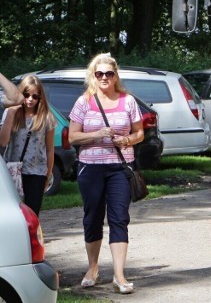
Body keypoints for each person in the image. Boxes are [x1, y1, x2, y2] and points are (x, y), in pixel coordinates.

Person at [68, 53, 144, 295]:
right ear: (93, 76)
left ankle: (119, 275)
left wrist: (127, 139)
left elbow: (139, 133)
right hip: (90, 168)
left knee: (119, 218)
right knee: (92, 217)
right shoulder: (84, 102)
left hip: (120, 168)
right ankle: (92, 269)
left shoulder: (128, 101)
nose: (103, 78)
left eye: (108, 74)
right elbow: (72, 136)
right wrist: (98, 133)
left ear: (115, 76)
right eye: (99, 73)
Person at [0, 75, 55, 215]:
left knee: (32, 213)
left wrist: (47, 176)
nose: (30, 99)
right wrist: (11, 113)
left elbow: (49, 149)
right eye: (26, 95)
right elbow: (3, 141)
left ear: (40, 98)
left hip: (36, 171)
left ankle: (32, 237)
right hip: (13, 169)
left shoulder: (46, 117)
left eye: (35, 96)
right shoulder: (11, 112)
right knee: (13, 212)